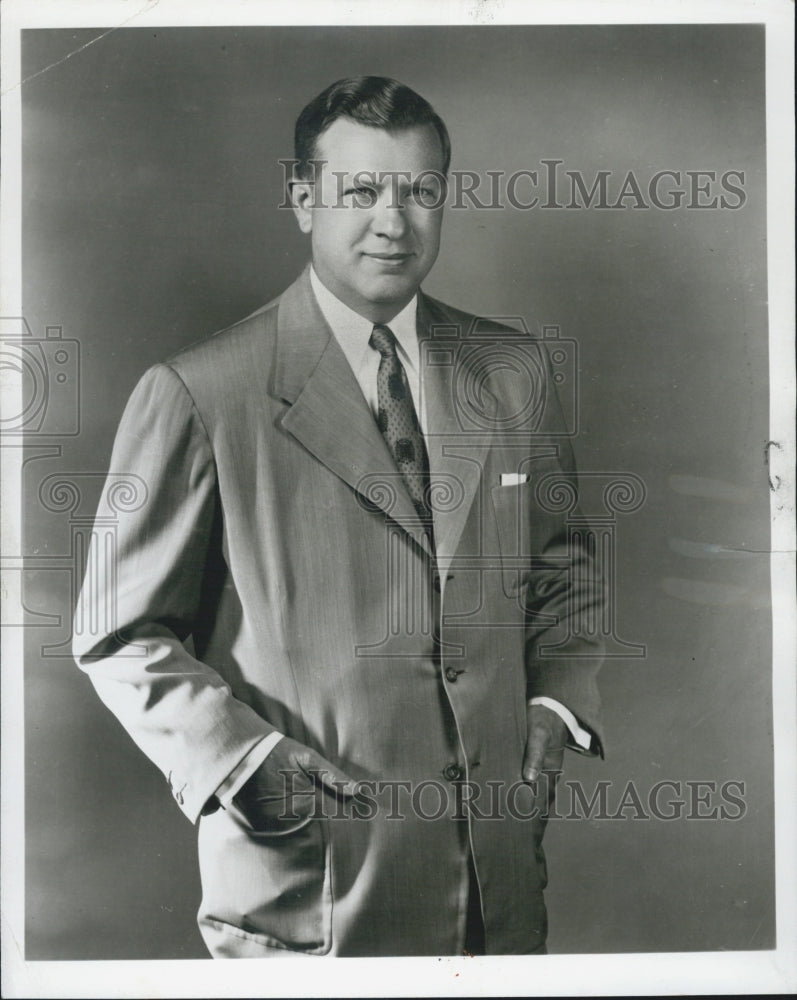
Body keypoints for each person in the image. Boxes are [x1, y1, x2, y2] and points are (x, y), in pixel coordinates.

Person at [73, 76, 605, 958]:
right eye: (359, 192)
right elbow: (115, 632)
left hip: (499, 894)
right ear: (300, 200)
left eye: (420, 191)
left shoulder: (510, 369)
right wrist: (242, 764)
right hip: (312, 897)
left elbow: (564, 565)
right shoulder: (198, 393)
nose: (393, 221)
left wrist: (552, 701)